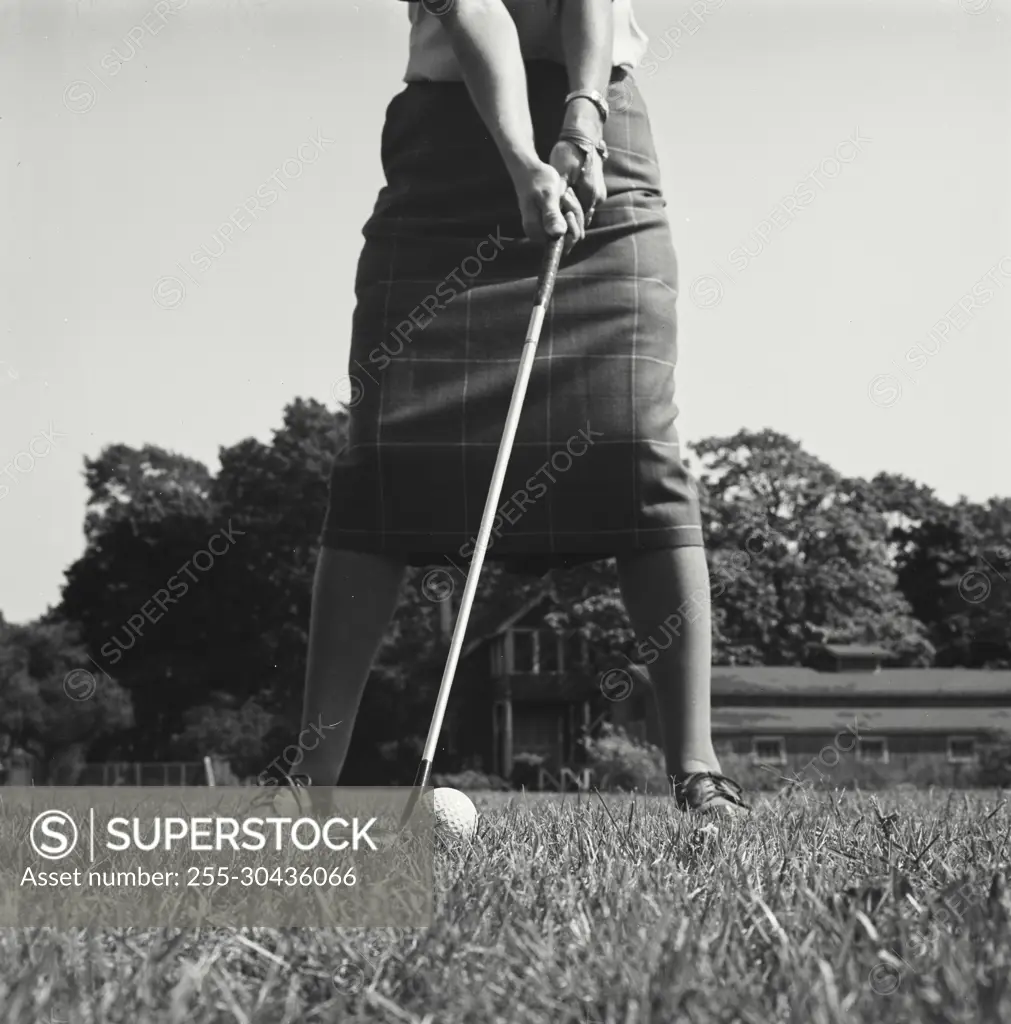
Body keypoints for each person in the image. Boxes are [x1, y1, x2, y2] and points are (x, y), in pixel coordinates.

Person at [270, 0, 748, 814]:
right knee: (383, 458)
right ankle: (307, 784)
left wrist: (581, 122)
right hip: (450, 150)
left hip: (600, 140)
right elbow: (469, 7)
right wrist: (524, 158)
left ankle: (699, 775)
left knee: (634, 444)